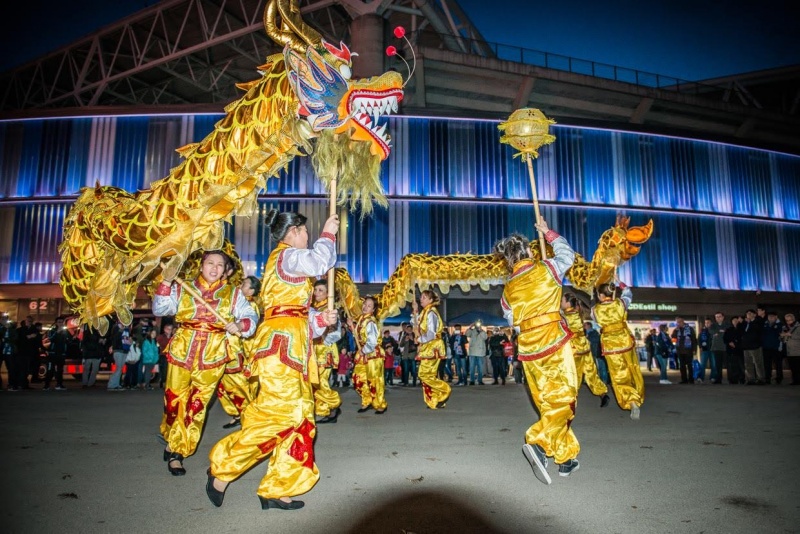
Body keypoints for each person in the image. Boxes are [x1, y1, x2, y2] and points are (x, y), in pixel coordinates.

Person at [207, 210, 339, 510]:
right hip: (282, 351)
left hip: (292, 345)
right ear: (293, 232)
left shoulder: (288, 260)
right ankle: (223, 469)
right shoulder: (288, 256)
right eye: (306, 232)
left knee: (301, 418)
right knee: (279, 416)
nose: (308, 236)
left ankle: (278, 486)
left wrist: (320, 319)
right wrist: (329, 233)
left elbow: (293, 312)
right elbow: (321, 262)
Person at [153, 250, 258, 476]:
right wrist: (167, 281)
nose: (214, 268)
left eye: (220, 265)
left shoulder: (233, 293)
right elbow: (161, 309)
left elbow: (251, 316)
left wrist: (239, 326)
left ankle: (179, 451)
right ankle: (172, 437)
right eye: (210, 263)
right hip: (182, 351)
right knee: (173, 400)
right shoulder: (184, 287)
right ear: (201, 266)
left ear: (225, 270)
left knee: (196, 405)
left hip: (213, 354)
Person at [495, 217, 579, 485]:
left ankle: (565, 457)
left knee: (548, 403)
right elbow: (569, 255)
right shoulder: (548, 268)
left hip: (529, 349)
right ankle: (539, 444)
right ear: (530, 251)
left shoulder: (507, 290)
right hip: (553, 341)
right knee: (564, 399)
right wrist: (549, 233)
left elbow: (512, 322)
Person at [592, 282, 645, 420]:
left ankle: (631, 401)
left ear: (601, 295)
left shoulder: (595, 310)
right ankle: (637, 396)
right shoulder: (621, 303)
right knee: (633, 369)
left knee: (619, 376)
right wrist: (622, 285)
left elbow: (596, 320)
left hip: (611, 347)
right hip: (625, 342)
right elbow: (628, 294)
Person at [217, 275, 263, 429]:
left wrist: (250, 356)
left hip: (238, 349)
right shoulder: (231, 298)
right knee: (222, 386)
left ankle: (250, 417)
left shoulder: (251, 307)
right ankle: (237, 414)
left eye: (244, 284)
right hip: (219, 349)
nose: (240, 285)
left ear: (251, 291)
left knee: (239, 386)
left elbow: (250, 331)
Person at [562, 293, 609, 406]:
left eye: (562, 301)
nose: (560, 303)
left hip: (575, 350)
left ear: (568, 303)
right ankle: (602, 393)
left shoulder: (566, 316)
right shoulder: (578, 313)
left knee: (574, 375)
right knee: (591, 373)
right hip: (585, 347)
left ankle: (571, 400)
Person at [412, 290, 451, 409]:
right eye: (421, 297)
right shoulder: (425, 312)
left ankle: (445, 390)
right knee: (428, 374)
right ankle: (435, 400)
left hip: (432, 345)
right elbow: (417, 324)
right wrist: (415, 311)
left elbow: (431, 333)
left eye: (424, 297)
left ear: (430, 300)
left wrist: (420, 340)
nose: (421, 299)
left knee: (424, 374)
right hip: (428, 346)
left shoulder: (431, 313)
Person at [311, 279, 342, 424]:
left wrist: (323, 338)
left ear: (328, 294)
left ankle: (334, 405)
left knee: (321, 380)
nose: (317, 293)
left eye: (321, 290)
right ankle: (325, 410)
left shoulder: (329, 309)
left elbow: (337, 333)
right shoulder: (312, 308)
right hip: (313, 349)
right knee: (314, 381)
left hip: (324, 350)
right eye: (316, 290)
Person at [351, 296, 387, 414]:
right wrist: (352, 326)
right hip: (363, 352)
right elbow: (358, 336)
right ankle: (367, 400)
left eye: (369, 306)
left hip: (372, 354)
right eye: (365, 304)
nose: (365, 307)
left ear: (373, 309)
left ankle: (380, 404)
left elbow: (372, 341)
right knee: (358, 378)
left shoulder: (371, 322)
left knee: (374, 380)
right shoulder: (362, 318)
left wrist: (364, 350)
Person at [739, 309, 765, 385]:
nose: (748, 315)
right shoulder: (745, 323)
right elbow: (740, 332)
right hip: (746, 346)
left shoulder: (758, 321)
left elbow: (758, 330)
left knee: (758, 363)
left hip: (755, 346)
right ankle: (750, 379)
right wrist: (741, 323)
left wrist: (750, 322)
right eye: (747, 313)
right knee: (747, 363)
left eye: (750, 313)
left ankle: (761, 379)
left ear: (754, 314)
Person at [43, 316, 69, 391]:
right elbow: (51, 339)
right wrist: (57, 332)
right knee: (50, 370)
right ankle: (46, 385)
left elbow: (67, 341)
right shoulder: (52, 331)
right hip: (53, 353)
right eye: (59, 322)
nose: (60, 324)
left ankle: (59, 384)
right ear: (56, 323)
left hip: (61, 354)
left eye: (62, 322)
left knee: (60, 370)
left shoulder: (65, 331)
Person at [107, 319, 131, 391]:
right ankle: (112, 384)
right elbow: (115, 338)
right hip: (118, 349)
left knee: (120, 368)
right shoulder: (116, 327)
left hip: (124, 349)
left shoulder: (126, 328)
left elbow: (126, 338)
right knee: (118, 368)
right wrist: (121, 330)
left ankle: (116, 384)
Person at [671, 318, 697, 384]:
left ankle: (691, 379)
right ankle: (684, 379)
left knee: (689, 365)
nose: (678, 323)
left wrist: (694, 349)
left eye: (679, 322)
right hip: (680, 350)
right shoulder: (677, 329)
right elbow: (673, 337)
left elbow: (693, 339)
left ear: (683, 321)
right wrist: (676, 330)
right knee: (682, 366)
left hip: (688, 350)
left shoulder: (690, 329)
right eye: (677, 322)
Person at [762, 312, 783, 384]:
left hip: (776, 348)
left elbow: (780, 334)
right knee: (767, 364)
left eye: (772, 316)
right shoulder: (765, 324)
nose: (770, 318)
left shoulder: (780, 325)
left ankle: (779, 378)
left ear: (776, 317)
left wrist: (774, 326)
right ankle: (767, 378)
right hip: (766, 347)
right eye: (769, 316)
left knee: (778, 364)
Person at [709, 312, 729, 384]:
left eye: (719, 316)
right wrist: (720, 331)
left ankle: (731, 379)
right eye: (716, 317)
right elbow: (711, 331)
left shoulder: (727, 324)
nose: (718, 318)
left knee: (728, 364)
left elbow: (727, 332)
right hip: (716, 347)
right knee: (718, 365)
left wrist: (719, 332)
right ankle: (718, 379)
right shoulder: (713, 325)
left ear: (723, 317)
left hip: (725, 347)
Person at [724, 316, 745, 384]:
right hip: (730, 351)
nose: (735, 322)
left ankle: (742, 379)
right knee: (731, 366)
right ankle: (732, 379)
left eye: (736, 320)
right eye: (733, 321)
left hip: (740, 350)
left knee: (741, 365)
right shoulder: (729, 329)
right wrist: (729, 342)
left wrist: (736, 343)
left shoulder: (742, 329)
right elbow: (725, 338)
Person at [780, 314, 800, 385]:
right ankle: (795, 380)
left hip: (797, 350)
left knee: (797, 366)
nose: (788, 322)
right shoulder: (785, 327)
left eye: (789, 320)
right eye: (787, 320)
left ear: (793, 319)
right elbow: (784, 339)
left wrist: (791, 335)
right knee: (792, 367)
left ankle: (798, 380)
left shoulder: (798, 327)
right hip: (789, 350)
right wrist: (782, 336)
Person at [156, 323, 174, 389]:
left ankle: (167, 382)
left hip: (170, 356)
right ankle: (162, 381)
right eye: (168, 329)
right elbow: (157, 345)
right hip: (163, 355)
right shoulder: (161, 337)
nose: (169, 331)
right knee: (163, 369)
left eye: (170, 329)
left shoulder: (173, 337)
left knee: (169, 370)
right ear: (165, 329)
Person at [697, 318, 714, 383]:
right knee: (703, 364)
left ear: (711, 323)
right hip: (705, 349)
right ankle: (701, 377)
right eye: (706, 323)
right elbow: (699, 339)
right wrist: (700, 346)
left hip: (713, 349)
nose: (707, 324)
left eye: (708, 322)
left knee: (713, 364)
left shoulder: (713, 330)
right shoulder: (702, 330)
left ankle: (713, 377)